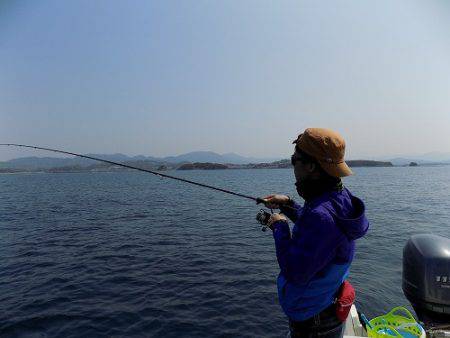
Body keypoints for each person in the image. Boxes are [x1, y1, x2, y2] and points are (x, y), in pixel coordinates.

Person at [262, 128, 369, 338]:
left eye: (294, 160)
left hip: (313, 319)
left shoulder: (321, 216)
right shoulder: (340, 197)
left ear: (311, 166)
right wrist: (290, 205)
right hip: (326, 306)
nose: (292, 166)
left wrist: (280, 227)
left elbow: (296, 272)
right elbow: (322, 232)